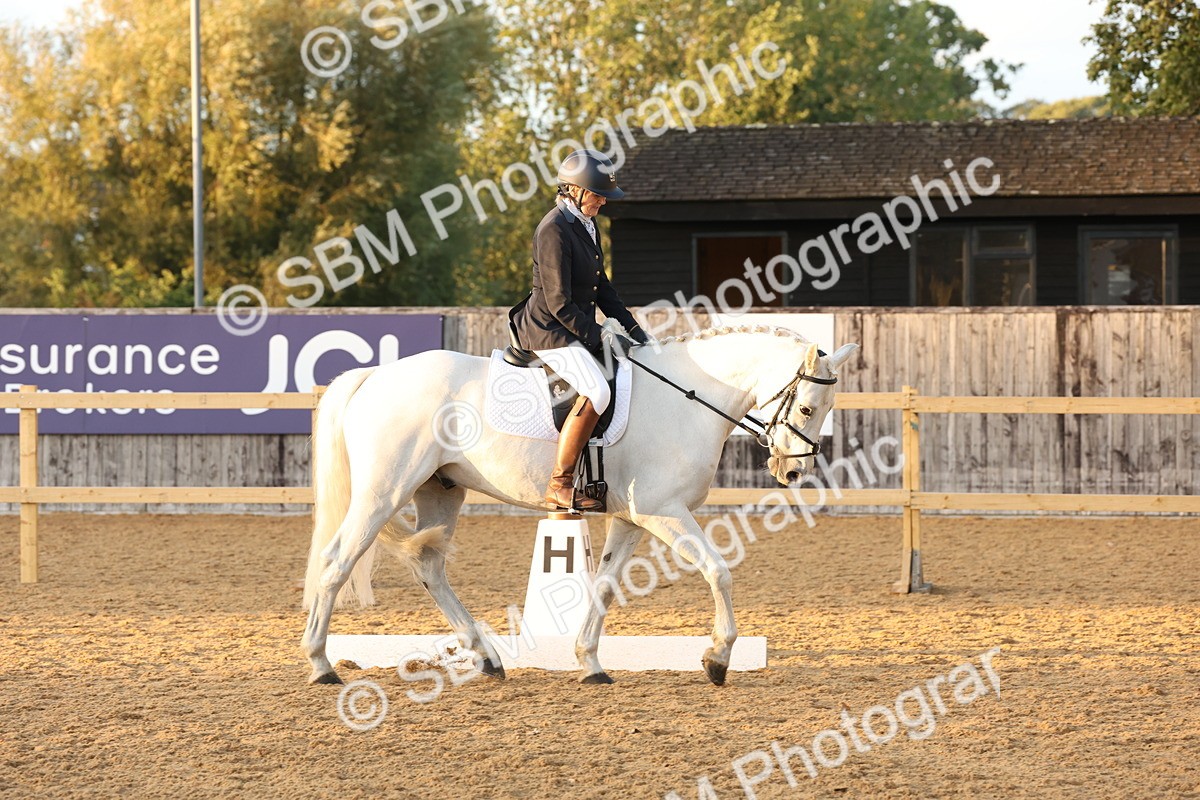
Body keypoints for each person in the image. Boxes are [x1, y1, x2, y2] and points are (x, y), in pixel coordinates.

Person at [509, 149, 649, 512]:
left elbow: (603, 289)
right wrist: (601, 336)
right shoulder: (553, 229)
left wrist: (635, 331)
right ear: (573, 189)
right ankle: (559, 484)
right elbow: (558, 302)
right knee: (597, 391)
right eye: (598, 194)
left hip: (573, 326)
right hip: (549, 330)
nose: (603, 201)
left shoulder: (587, 224)